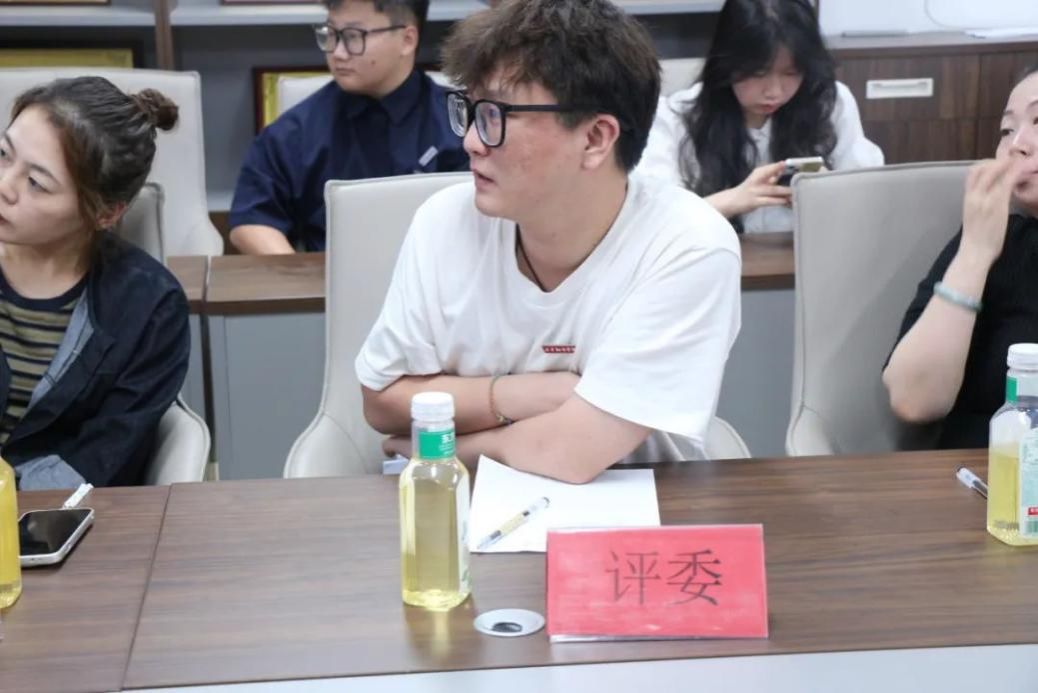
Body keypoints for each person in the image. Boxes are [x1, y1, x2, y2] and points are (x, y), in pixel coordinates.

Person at [356, 0, 741, 484]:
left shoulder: (687, 244)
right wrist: (526, 394)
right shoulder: (444, 221)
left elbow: (568, 455)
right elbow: (382, 401)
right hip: (468, 505)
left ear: (595, 138)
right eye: (470, 111)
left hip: (644, 505)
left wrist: (440, 447)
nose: (471, 141)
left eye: (495, 114)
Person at [0, 77, 190, 489]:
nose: (4, 186)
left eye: (36, 183)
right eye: (3, 154)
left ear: (105, 213)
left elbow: (105, 456)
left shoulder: (150, 307)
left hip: (55, 516)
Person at [229, 0, 469, 254]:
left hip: (441, 269)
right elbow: (252, 222)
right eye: (331, 33)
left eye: (354, 36)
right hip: (326, 272)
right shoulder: (295, 130)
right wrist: (305, 275)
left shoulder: (463, 122)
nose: (338, 52)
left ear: (407, 40)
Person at [883, 64, 1038, 448]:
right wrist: (975, 253)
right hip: (994, 474)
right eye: (1007, 130)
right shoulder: (998, 238)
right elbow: (913, 399)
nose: (1016, 144)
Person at [636, 0, 882, 233]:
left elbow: (869, 200)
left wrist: (831, 193)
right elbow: (657, 222)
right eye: (758, 73)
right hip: (716, 259)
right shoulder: (676, 117)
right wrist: (732, 200)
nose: (774, 92)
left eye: (791, 73)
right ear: (727, 63)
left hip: (808, 255)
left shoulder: (829, 103)